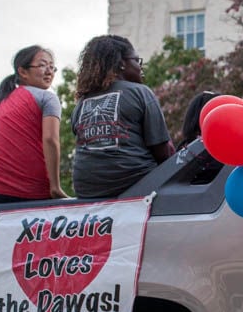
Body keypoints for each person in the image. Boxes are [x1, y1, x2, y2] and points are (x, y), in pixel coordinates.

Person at [71, 35, 175, 198]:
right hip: (134, 185)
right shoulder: (140, 92)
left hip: (87, 191)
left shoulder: (82, 103)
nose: (140, 67)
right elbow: (163, 152)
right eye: (137, 60)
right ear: (121, 63)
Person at [0, 45, 68, 204]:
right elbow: (51, 140)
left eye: (52, 67)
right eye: (42, 65)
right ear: (23, 71)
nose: (49, 71)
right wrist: (55, 187)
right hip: (36, 193)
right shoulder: (48, 98)